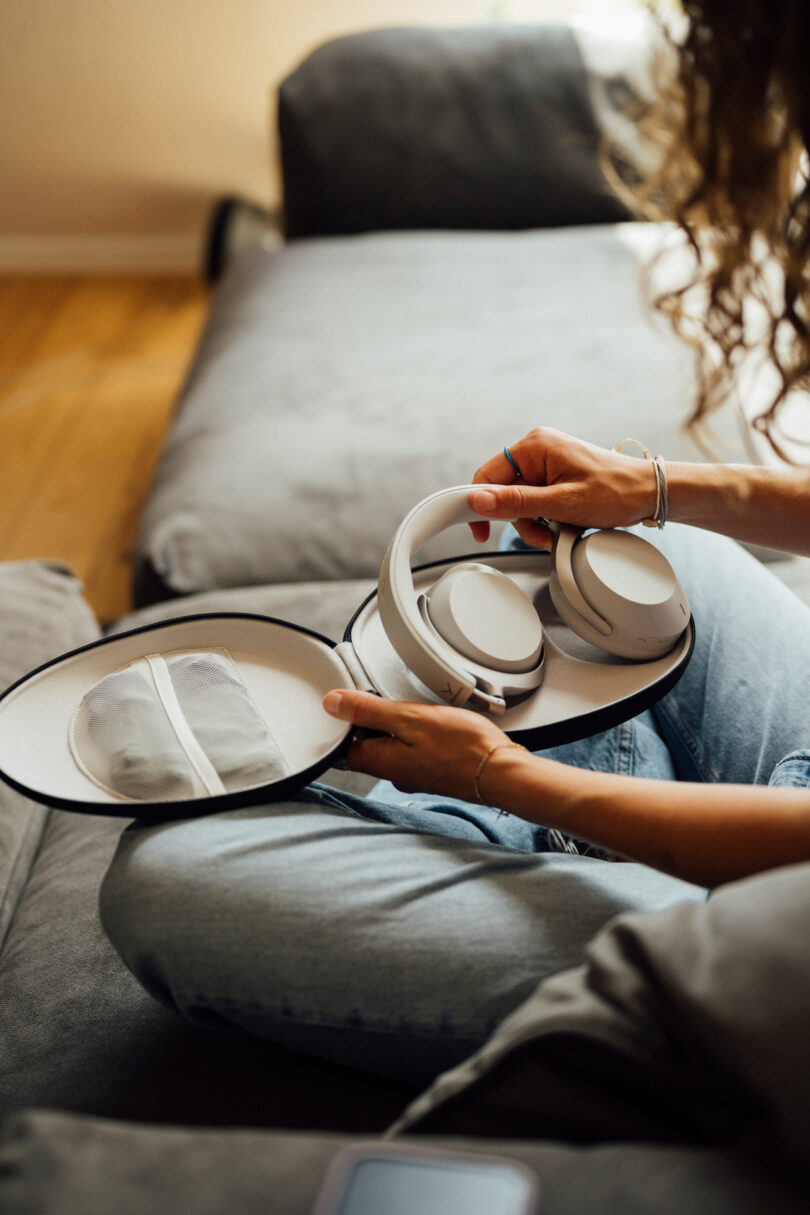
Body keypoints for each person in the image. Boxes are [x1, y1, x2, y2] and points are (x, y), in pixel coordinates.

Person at [101, 0, 810, 1092]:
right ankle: (607, 841)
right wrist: (656, 488)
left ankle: (586, 862)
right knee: (685, 569)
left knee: (163, 882)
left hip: (785, 952)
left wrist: (520, 784)